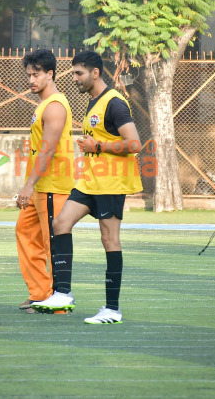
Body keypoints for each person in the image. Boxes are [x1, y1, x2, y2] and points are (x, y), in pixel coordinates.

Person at [31, 50, 143, 324]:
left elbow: (135, 144)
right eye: (73, 74)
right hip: (90, 182)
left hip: (111, 183)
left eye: (79, 73)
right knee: (60, 223)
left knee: (109, 240)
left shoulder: (114, 103)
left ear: (95, 73)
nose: (75, 79)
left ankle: (112, 309)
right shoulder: (93, 102)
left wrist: (99, 146)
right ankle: (63, 293)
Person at [15, 49, 74, 314]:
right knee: (25, 232)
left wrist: (28, 185)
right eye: (28, 75)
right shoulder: (42, 106)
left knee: (53, 243)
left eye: (36, 74)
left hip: (53, 186)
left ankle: (57, 303)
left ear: (50, 74)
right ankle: (40, 293)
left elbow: (48, 150)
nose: (31, 80)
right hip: (40, 186)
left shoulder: (55, 106)